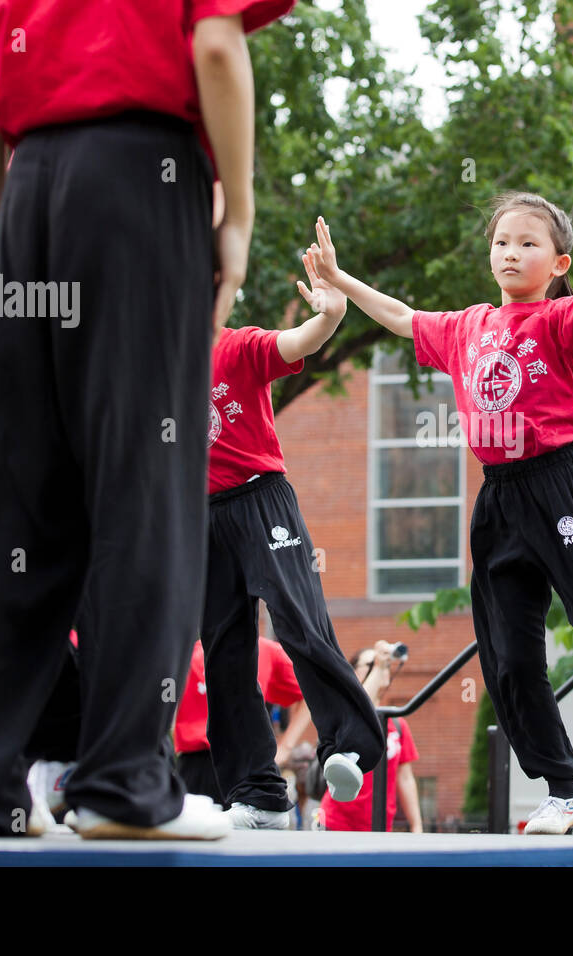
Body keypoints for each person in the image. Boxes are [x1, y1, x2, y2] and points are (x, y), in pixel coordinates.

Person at [0, 0, 295, 840]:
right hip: (142, 181)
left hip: (32, 187)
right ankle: (122, 783)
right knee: (145, 489)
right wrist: (237, 220)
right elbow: (219, 50)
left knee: (18, 496)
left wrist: (0, 247)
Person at [307, 186, 573, 833]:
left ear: (558, 263)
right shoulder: (466, 326)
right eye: (502, 242)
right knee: (509, 654)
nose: (511, 253)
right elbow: (403, 317)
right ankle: (562, 786)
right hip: (499, 500)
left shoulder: (558, 319)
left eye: (528, 243)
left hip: (558, 484)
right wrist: (342, 279)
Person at [200, 247, 384, 829]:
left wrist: (329, 314)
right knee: (225, 651)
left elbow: (298, 342)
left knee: (298, 620)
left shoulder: (238, 345)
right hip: (201, 516)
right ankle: (258, 793)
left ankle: (350, 744)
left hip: (260, 498)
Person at [173, 636, 314, 810]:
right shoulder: (184, 652)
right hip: (195, 766)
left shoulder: (266, 650)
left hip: (249, 765)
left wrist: (286, 746)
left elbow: (311, 690)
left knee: (251, 834)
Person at [317, 642, 421, 833]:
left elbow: (405, 778)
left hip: (379, 825)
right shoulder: (344, 715)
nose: (380, 668)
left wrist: (416, 826)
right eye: (370, 664)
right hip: (335, 823)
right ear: (352, 673)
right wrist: (379, 666)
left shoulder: (397, 724)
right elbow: (359, 708)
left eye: (385, 665)